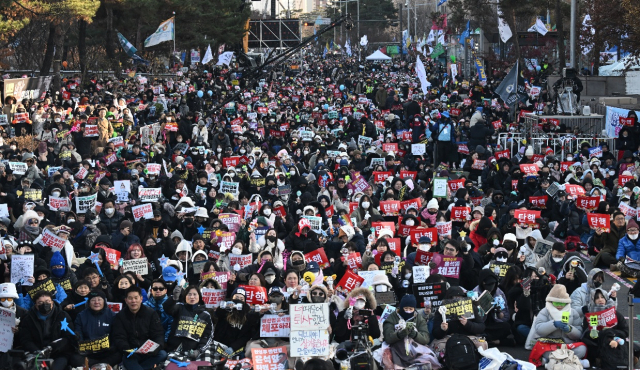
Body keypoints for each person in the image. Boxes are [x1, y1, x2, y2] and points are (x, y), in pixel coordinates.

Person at [525, 284, 587, 367]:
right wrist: (553, 324)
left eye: (562, 303)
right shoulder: (545, 311)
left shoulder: (573, 312)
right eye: (556, 302)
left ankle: (552, 362)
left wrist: (569, 330)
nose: (559, 305)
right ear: (551, 301)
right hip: (550, 344)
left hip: (568, 344)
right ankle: (574, 361)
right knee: (545, 351)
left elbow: (579, 333)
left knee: (582, 349)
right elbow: (539, 330)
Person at [111, 287, 167, 370]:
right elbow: (119, 337)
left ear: (141, 299)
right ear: (126, 300)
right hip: (131, 352)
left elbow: (158, 333)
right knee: (126, 359)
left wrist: (156, 348)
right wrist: (126, 349)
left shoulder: (151, 313)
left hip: (148, 351)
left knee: (162, 354)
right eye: (130, 298)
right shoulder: (120, 316)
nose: (133, 301)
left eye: (136, 298)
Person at [18, 291, 76, 370]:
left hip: (59, 354)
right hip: (36, 353)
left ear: (52, 302)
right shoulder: (28, 318)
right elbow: (25, 339)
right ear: (36, 305)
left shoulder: (62, 315)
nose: (44, 304)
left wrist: (54, 347)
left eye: (47, 301)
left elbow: (68, 337)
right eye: (40, 302)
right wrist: (37, 352)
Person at [381, 295, 439, 369]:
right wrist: (400, 334)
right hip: (396, 349)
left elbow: (426, 339)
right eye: (406, 309)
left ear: (414, 309)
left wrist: (415, 334)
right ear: (401, 308)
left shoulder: (419, 319)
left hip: (416, 349)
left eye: (411, 309)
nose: (408, 311)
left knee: (429, 360)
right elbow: (388, 337)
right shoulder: (392, 318)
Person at [71, 289, 121, 367]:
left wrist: (112, 347)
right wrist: (78, 339)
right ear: (89, 302)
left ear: (104, 301)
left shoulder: (112, 315)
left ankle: (99, 365)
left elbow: (116, 334)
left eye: (99, 299)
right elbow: (78, 332)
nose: (96, 302)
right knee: (74, 357)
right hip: (88, 353)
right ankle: (100, 366)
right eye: (93, 300)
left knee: (119, 354)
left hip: (107, 352)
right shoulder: (81, 316)